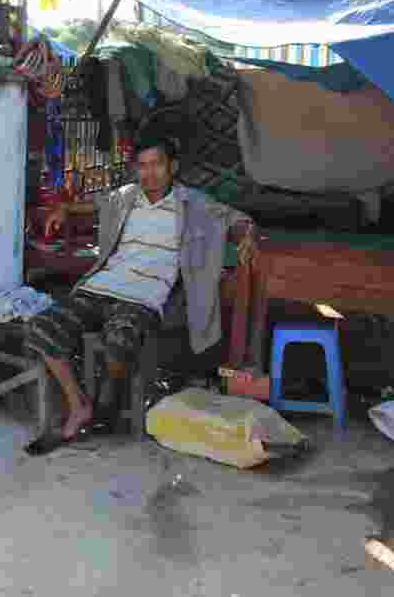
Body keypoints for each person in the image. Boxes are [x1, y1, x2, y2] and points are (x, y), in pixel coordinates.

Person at [26, 134, 256, 442]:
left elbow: (234, 220)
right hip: (100, 286)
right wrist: (66, 209)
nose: (149, 173)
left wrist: (246, 235)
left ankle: (107, 401)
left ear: (172, 166)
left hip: (143, 298)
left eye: (157, 165)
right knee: (40, 328)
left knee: (118, 341)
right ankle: (78, 403)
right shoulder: (127, 197)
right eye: (142, 166)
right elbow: (92, 204)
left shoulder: (192, 203)